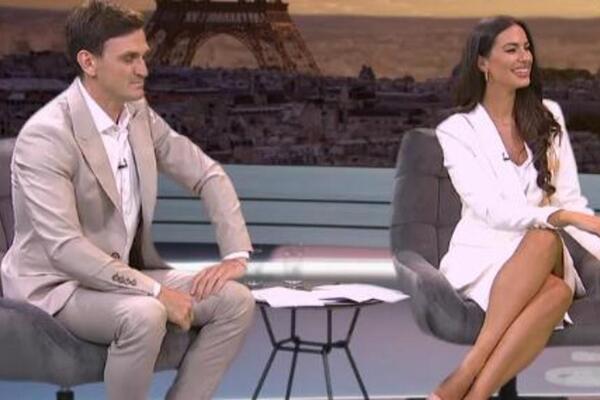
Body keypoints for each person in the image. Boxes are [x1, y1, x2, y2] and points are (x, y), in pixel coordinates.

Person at [0, 1, 256, 399]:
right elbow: (65, 249)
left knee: (235, 302)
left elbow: (206, 174)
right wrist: (154, 292)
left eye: (143, 56)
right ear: (89, 62)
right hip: (59, 285)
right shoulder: (46, 136)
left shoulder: (138, 114)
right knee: (144, 314)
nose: (144, 70)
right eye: (129, 59)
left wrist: (235, 253)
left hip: (123, 273)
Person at [432, 15, 600, 400]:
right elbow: (490, 210)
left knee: (543, 241)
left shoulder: (548, 115)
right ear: (483, 63)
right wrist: (562, 217)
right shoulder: (456, 131)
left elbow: (570, 199)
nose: (524, 57)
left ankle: (461, 381)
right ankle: (475, 391)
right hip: (486, 257)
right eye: (511, 50)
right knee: (556, 291)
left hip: (547, 254)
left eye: (526, 48)